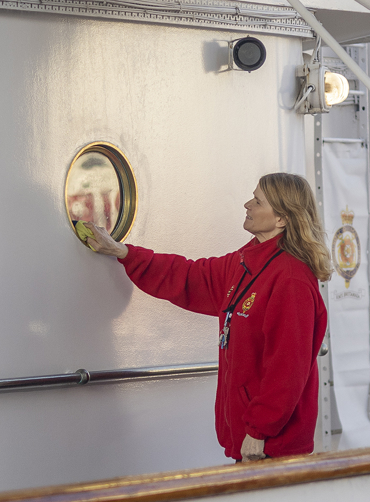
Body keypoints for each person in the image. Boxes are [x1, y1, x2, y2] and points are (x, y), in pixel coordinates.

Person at [82, 172, 332, 462]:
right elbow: (188, 276)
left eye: (258, 201)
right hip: (252, 439)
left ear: (282, 219)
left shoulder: (290, 279)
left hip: (271, 446)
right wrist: (123, 252)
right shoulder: (246, 262)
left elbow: (287, 368)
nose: (247, 205)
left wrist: (260, 429)